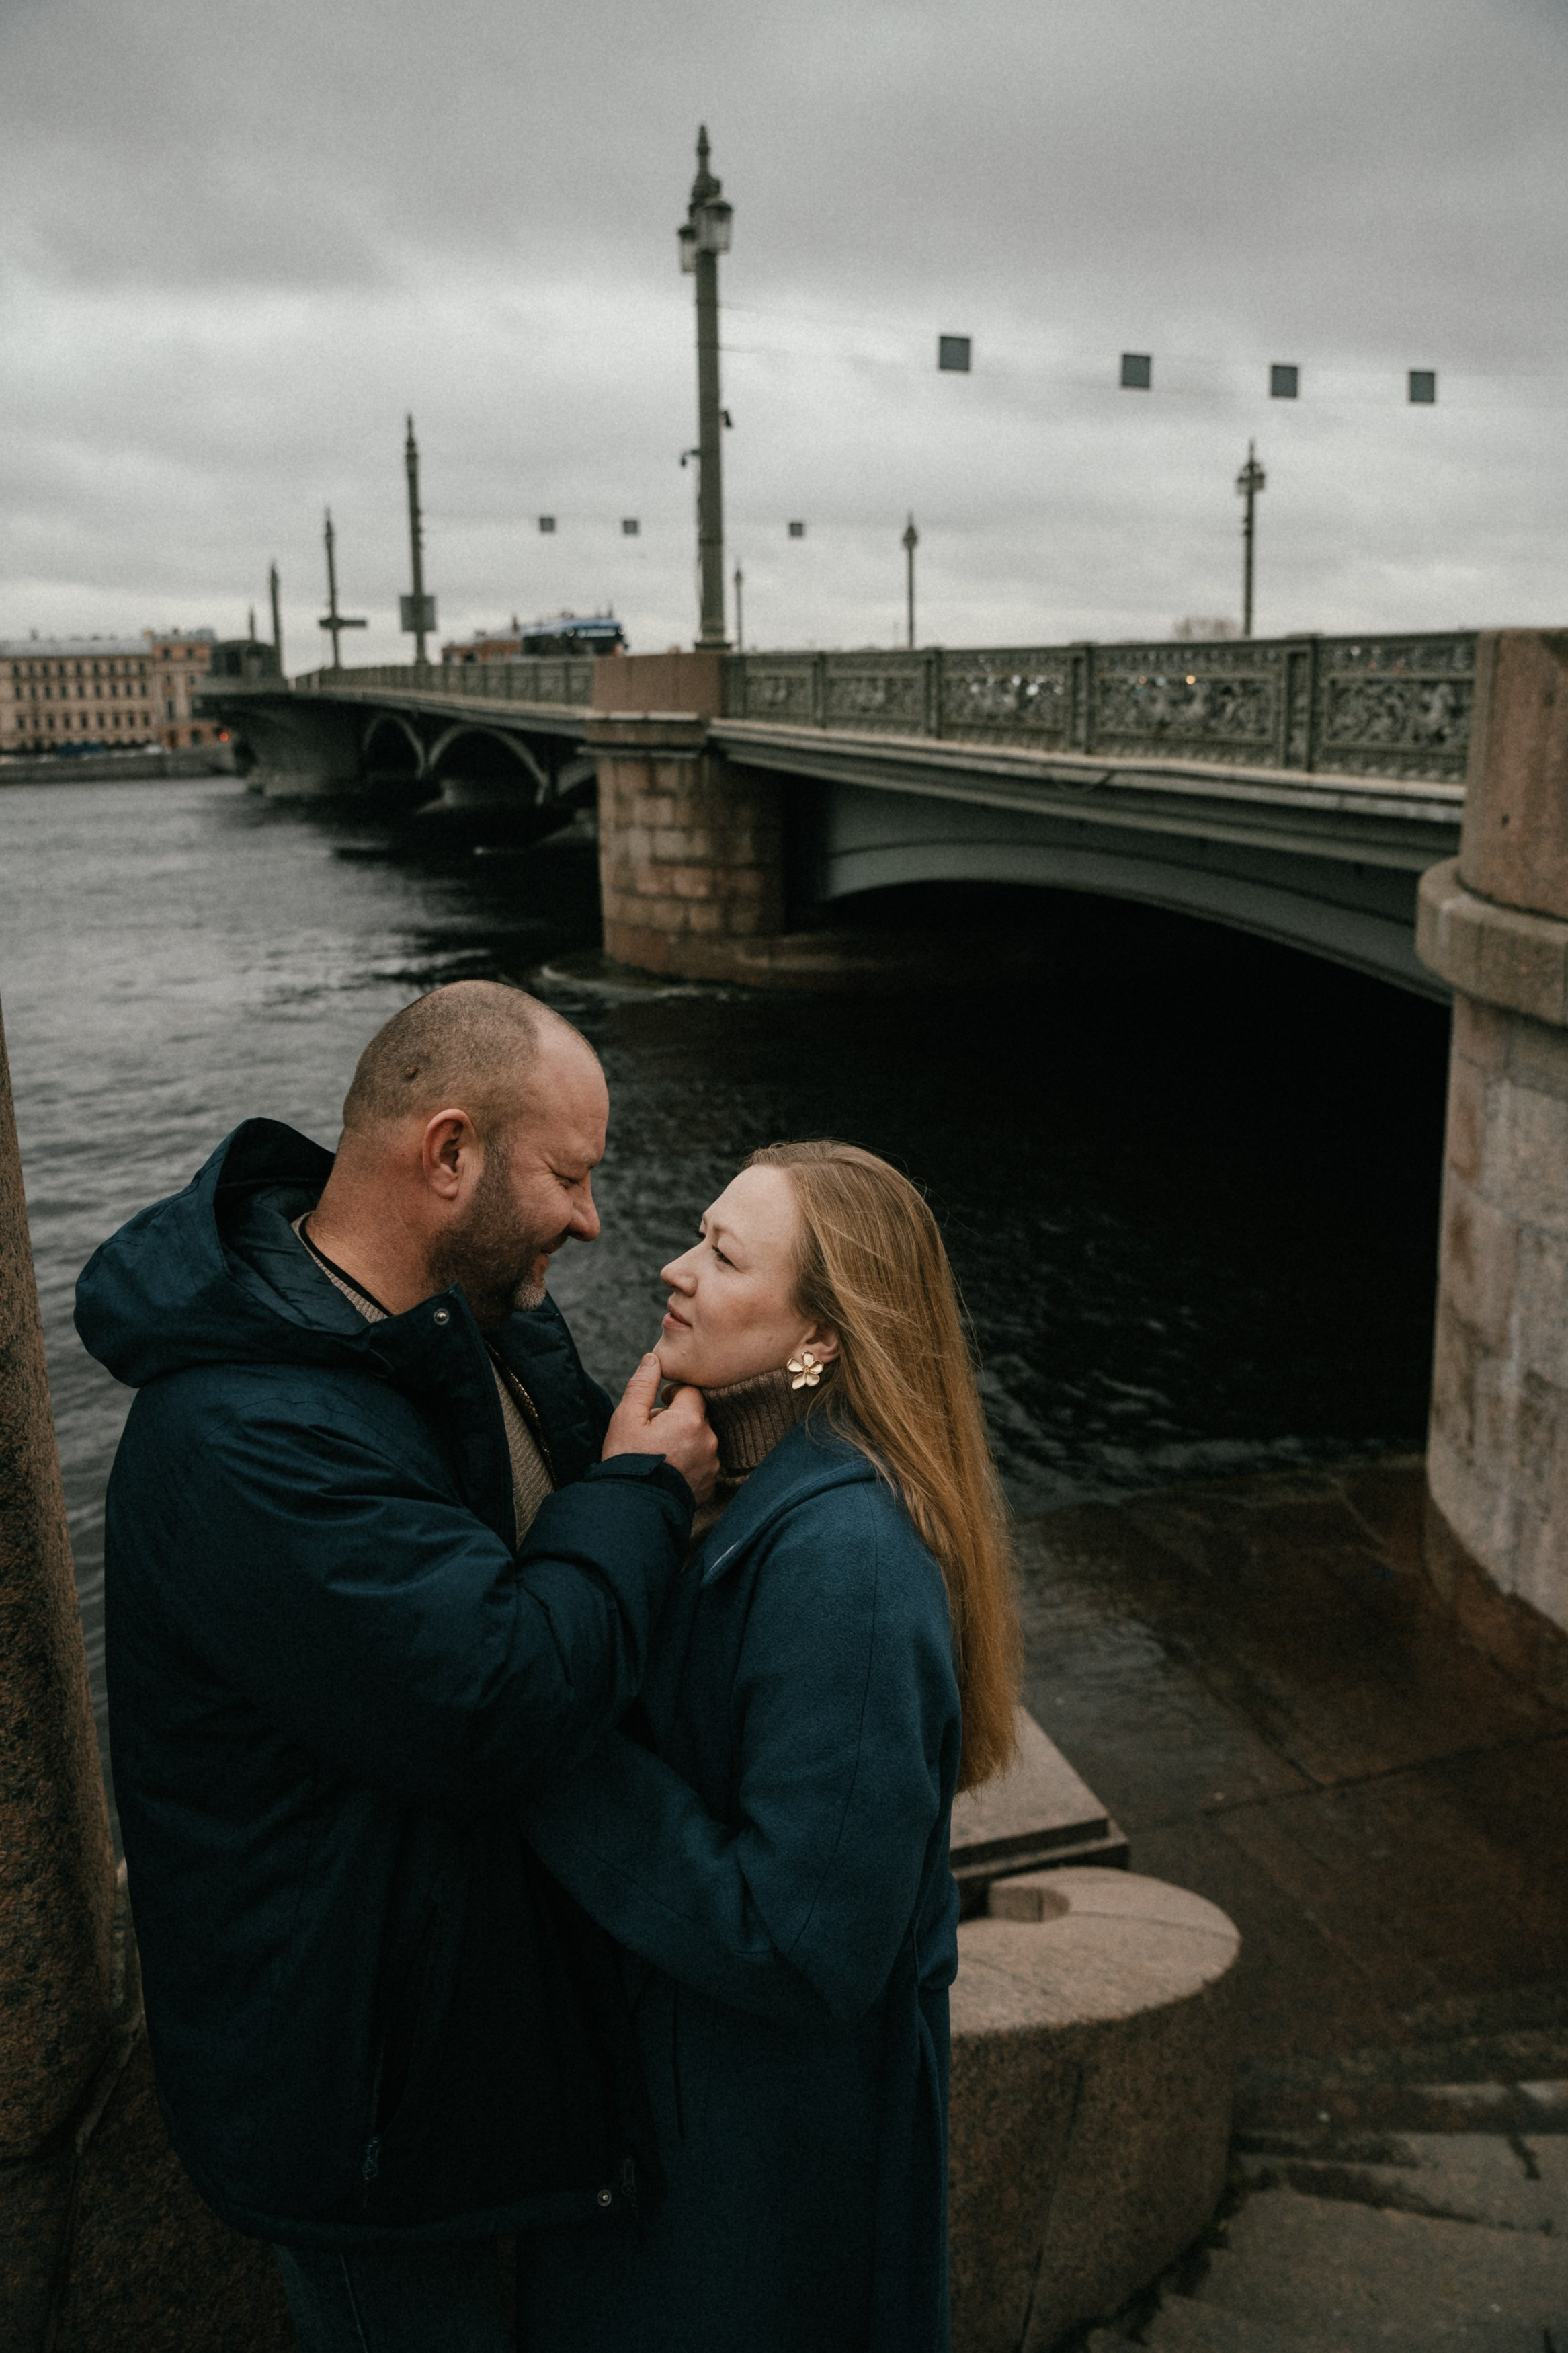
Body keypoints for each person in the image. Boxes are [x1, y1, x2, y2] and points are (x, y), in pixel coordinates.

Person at [74, 980, 718, 2353]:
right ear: (449, 1153)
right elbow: (497, 1699)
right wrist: (645, 1494)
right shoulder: (247, 1439)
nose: (594, 1221)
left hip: (470, 2039)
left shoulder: (461, 1324)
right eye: (570, 1176)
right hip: (368, 2106)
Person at [519, 1140, 1022, 2353]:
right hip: (702, 2133)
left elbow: (806, 1944)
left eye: (724, 1256)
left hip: (758, 2187)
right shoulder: (741, 1490)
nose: (674, 1267)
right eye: (698, 1234)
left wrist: (548, 1739)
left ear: (820, 1342)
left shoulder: (848, 1566)